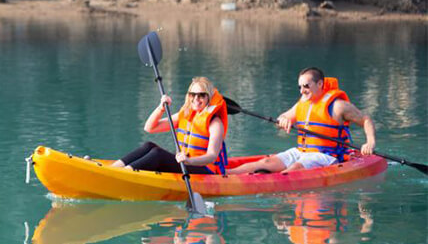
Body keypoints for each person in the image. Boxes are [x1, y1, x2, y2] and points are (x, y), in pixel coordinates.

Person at [228, 67, 376, 174]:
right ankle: (225, 174)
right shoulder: (302, 103)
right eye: (300, 86)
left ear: (320, 84)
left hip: (327, 156)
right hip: (302, 152)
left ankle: (277, 183)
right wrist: (284, 120)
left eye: (306, 86)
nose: (302, 90)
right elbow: (284, 117)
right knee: (266, 162)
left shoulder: (338, 106)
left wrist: (370, 142)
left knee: (295, 168)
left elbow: (366, 120)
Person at [111, 77, 229, 175]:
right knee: (148, 145)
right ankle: (113, 169)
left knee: (158, 154)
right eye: (192, 94)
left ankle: (123, 175)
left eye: (201, 95)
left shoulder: (215, 123)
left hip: (204, 170)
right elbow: (149, 128)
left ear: (208, 97)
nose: (196, 99)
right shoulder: (185, 115)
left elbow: (212, 156)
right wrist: (160, 108)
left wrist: (189, 161)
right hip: (185, 162)